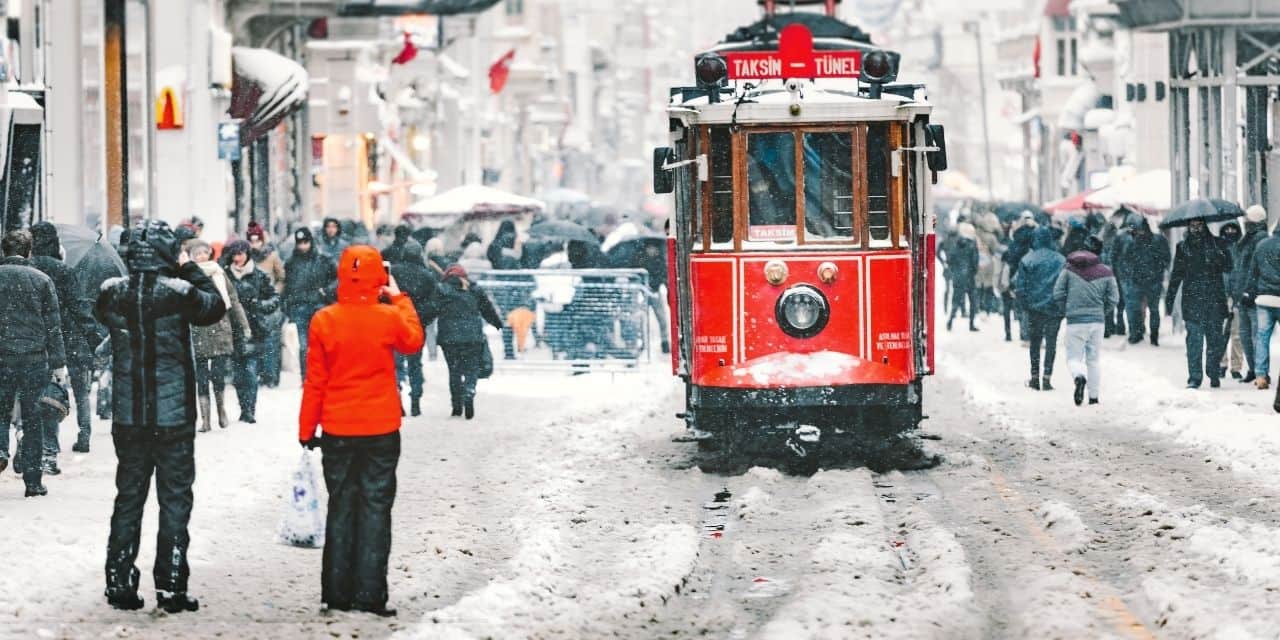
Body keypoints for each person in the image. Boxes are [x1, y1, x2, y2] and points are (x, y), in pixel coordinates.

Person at [96, 220, 225, 612]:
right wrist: (187, 266)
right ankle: (170, 583)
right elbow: (215, 306)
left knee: (129, 496)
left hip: (130, 414)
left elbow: (101, 315)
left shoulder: (113, 292)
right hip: (173, 415)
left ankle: (119, 577)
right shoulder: (179, 293)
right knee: (175, 499)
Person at [298, 244, 424, 616]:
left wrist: (306, 428)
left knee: (341, 505)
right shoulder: (388, 317)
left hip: (337, 427)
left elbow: (315, 381)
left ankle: (336, 593)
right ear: (379, 278)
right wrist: (399, 298)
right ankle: (370, 594)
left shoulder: (324, 320)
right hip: (380, 427)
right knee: (375, 508)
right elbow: (413, 341)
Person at [0, 230, 67, 496]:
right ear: (29, 252)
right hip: (34, 358)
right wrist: (59, 364)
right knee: (32, 419)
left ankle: (0, 449)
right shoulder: (42, 280)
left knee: (0, 410)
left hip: (2, 356)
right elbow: (53, 326)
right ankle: (32, 481)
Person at [28, 222, 95, 460]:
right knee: (79, 391)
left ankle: (41, 442)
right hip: (69, 337)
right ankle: (84, 434)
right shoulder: (64, 270)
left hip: (37, 338)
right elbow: (78, 306)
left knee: (40, 393)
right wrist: (93, 336)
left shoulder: (29, 268)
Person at [423, 265, 503, 419]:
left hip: (449, 338)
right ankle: (469, 390)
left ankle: (457, 406)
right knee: (471, 368)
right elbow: (487, 309)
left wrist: (420, 322)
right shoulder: (474, 290)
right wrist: (497, 323)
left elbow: (431, 310)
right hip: (472, 337)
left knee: (454, 371)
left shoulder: (442, 290)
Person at [189, 241, 251, 432]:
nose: (201, 256)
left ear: (209, 254)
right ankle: (205, 419)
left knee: (218, 374)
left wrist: (244, 325)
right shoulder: (189, 275)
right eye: (197, 254)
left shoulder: (219, 273)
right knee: (201, 377)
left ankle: (221, 410)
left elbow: (233, 300)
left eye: (204, 253)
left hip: (220, 326)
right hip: (198, 328)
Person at [1166, 219, 1231, 388]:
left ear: (1204, 226)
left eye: (1199, 225)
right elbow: (1176, 274)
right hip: (1193, 300)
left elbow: (1228, 267)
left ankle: (1213, 372)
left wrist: (1219, 254)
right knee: (1194, 341)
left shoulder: (1217, 244)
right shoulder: (1183, 247)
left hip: (1214, 300)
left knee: (1215, 341)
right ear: (1188, 227)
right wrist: (1169, 300)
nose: (1196, 229)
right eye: (1192, 225)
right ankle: (1194, 377)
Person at [1055, 236, 1119, 405]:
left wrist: (1067, 310)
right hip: (1097, 322)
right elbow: (1114, 298)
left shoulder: (1069, 269)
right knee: (1093, 360)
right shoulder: (1106, 271)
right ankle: (1093, 397)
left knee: (1073, 358)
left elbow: (1058, 293)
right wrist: (1101, 312)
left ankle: (1079, 377)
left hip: (1075, 321)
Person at [224, 240, 279, 424]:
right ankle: (244, 407)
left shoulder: (258, 275)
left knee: (250, 371)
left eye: (240, 254)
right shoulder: (225, 275)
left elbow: (274, 298)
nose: (237, 258)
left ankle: (249, 410)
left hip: (255, 328)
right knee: (238, 374)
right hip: (233, 329)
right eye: (234, 254)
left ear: (247, 254)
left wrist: (260, 306)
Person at [1014, 227, 1067, 390]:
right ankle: (1047, 377)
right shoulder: (1061, 260)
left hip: (1034, 308)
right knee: (1051, 343)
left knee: (1035, 343)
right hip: (1055, 307)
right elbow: (1066, 285)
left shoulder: (1027, 259)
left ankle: (1034, 377)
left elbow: (1020, 287)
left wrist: (1025, 306)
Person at [389, 239, 437, 416]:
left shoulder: (394, 272)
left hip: (395, 321)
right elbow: (433, 303)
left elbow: (386, 295)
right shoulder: (427, 275)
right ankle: (416, 398)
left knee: (396, 364)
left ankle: (397, 397)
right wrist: (422, 318)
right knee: (415, 363)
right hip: (417, 324)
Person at [283, 228, 337, 381]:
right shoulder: (291, 262)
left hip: (319, 306)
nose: (303, 246)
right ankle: (306, 378)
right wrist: (288, 305)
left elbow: (337, 278)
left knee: (321, 344)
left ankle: (322, 375)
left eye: (305, 242)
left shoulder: (324, 260)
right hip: (300, 307)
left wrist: (325, 292)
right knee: (304, 346)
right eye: (300, 243)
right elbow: (287, 285)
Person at [1112, 214, 1171, 345]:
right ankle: (1148, 336)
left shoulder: (1135, 241)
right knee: (1150, 310)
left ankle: (1139, 334)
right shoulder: (1157, 240)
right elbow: (1166, 259)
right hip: (1148, 280)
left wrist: (1127, 273)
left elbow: (1123, 259)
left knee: (1139, 309)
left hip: (1141, 280)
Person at [1233, 205, 1269, 383]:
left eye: (1248, 221)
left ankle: (1260, 371)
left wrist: (1250, 291)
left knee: (1254, 336)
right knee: (1245, 335)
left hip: (1253, 296)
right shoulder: (1246, 239)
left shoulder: (1260, 240)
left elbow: (1256, 270)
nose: (1245, 224)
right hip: (1243, 295)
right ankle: (1254, 369)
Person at [247, 222, 286, 387]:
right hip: (253, 304)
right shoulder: (247, 256)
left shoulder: (272, 256)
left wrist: (275, 293)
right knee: (258, 342)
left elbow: (281, 277)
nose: (254, 244)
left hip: (270, 304)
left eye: (257, 240)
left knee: (271, 343)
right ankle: (261, 375)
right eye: (251, 241)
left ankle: (271, 377)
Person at [1246, 215, 1280, 390]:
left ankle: (1261, 375)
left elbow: (1253, 273)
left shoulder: (1262, 245)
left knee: (1262, 337)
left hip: (1264, 298)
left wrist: (1249, 293)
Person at [1217, 222, 1246, 380]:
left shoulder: (1242, 249)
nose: (1230, 232)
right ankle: (1222, 364)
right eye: (1227, 229)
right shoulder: (1218, 248)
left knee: (1237, 334)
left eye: (1233, 229)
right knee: (1222, 332)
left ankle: (1236, 366)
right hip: (1222, 295)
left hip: (1237, 295)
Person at [946, 221, 980, 332]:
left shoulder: (956, 244)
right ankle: (971, 324)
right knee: (973, 301)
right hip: (969, 277)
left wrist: (955, 271)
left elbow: (950, 259)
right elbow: (975, 262)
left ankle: (950, 320)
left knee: (956, 300)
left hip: (958, 277)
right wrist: (973, 272)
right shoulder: (972, 245)